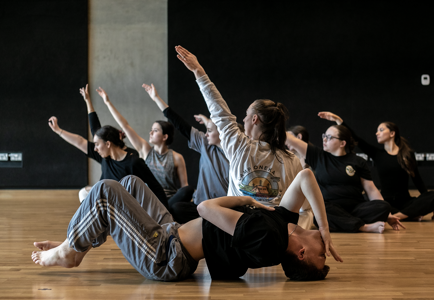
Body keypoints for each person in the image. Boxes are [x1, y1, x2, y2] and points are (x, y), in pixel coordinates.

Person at [31, 170, 342, 281]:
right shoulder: (283, 222)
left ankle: (69, 252)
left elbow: (206, 208)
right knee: (131, 184)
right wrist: (325, 230)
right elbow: (305, 177)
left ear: (301, 254)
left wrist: (242, 199)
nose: (326, 248)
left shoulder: (268, 239)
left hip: (165, 256)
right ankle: (75, 243)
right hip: (170, 231)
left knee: (105, 191)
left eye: (322, 253)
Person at [174, 46, 314, 228]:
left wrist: (198, 71)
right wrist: (294, 236)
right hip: (273, 232)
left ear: (254, 119)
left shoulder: (239, 145)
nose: (244, 118)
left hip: (238, 229)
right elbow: (305, 209)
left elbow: (219, 111)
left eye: (247, 114)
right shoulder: (291, 159)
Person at [318, 112, 434, 221]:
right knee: (366, 201)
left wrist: (430, 203)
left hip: (406, 201)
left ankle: (399, 216)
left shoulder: (407, 155)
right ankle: (409, 215)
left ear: (392, 133)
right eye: (377, 130)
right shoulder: (377, 154)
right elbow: (357, 140)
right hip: (386, 201)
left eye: (381, 130)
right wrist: (340, 121)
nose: (377, 133)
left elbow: (417, 180)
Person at [286, 123, 404, 233]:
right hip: (331, 207)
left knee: (384, 206)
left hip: (356, 207)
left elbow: (371, 189)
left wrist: (387, 214)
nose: (324, 139)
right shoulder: (318, 156)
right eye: (324, 136)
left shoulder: (358, 161)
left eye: (329, 137)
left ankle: (343, 223)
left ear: (342, 143)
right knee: (320, 211)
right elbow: (291, 139)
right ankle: (363, 227)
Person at [142, 83, 231, 223]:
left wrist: (209, 122)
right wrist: (156, 98)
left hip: (222, 209)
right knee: (177, 208)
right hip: (200, 206)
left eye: (209, 131)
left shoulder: (234, 153)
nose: (206, 134)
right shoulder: (205, 144)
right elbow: (179, 123)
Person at [94, 87, 194, 209]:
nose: (150, 133)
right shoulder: (146, 150)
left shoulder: (177, 157)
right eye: (151, 130)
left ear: (165, 136)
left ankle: (169, 211)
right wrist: (107, 102)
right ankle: (167, 213)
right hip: (151, 198)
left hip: (170, 201)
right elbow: (125, 126)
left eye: (155, 130)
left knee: (187, 191)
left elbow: (184, 187)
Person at [47, 117, 167, 207]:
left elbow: (156, 188)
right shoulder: (105, 158)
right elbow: (80, 141)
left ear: (108, 144)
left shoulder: (134, 162)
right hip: (106, 206)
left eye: (97, 144)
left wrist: (166, 216)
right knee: (84, 192)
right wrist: (58, 130)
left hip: (125, 208)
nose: (95, 149)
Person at [77, 84, 139, 201]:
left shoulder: (132, 157)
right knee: (83, 193)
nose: (96, 148)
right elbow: (95, 130)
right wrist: (88, 101)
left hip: (121, 198)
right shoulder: (106, 154)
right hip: (105, 194)